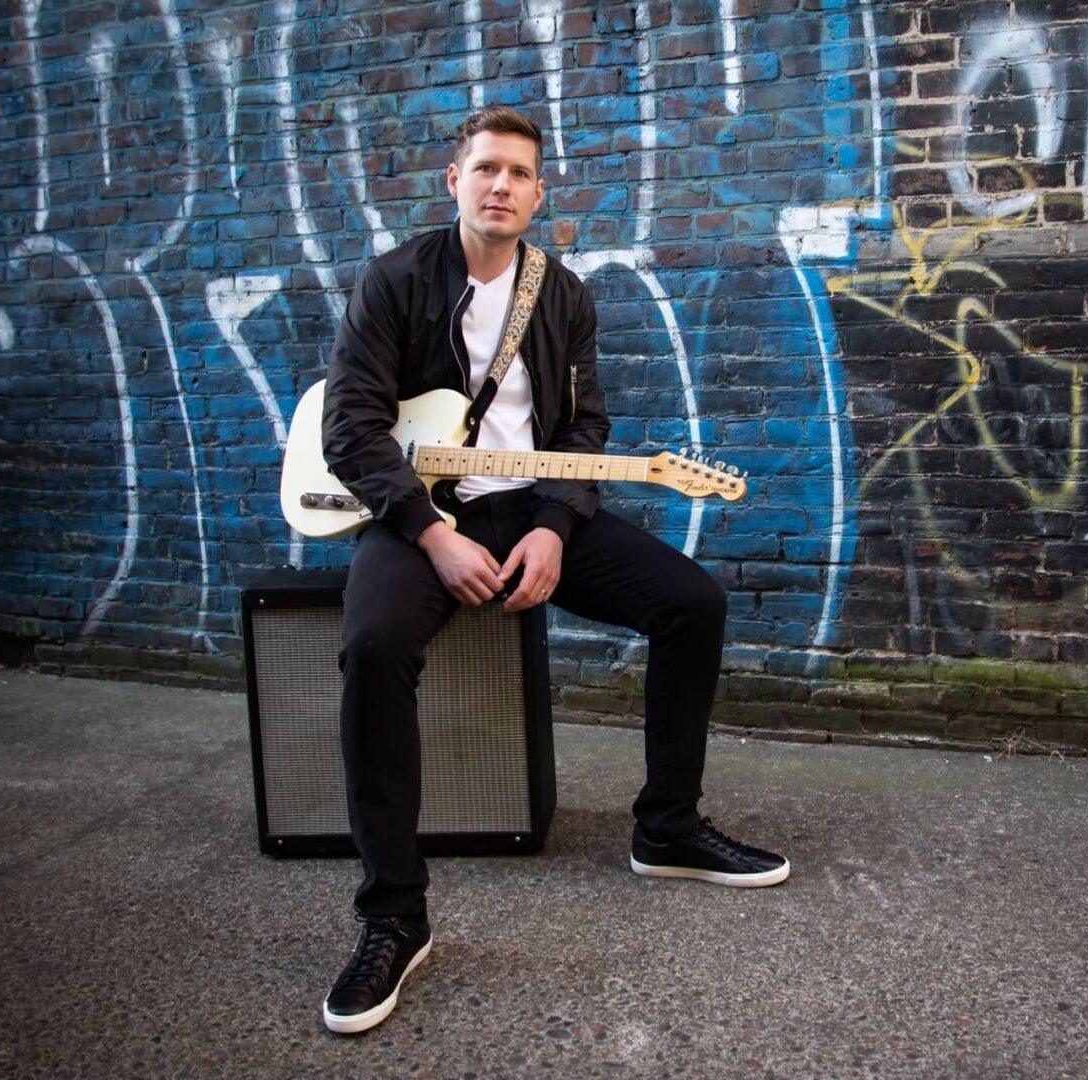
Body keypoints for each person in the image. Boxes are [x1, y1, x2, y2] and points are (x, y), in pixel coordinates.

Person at [317, 106, 788, 1036]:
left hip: (533, 508)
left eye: (520, 174)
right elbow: (351, 429)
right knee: (371, 645)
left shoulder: (562, 294)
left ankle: (667, 829)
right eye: (485, 168)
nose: (501, 185)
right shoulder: (395, 280)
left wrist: (556, 529)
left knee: (693, 602)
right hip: (424, 512)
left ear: (539, 193)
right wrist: (428, 532)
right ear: (453, 180)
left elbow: (584, 432)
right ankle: (393, 916)